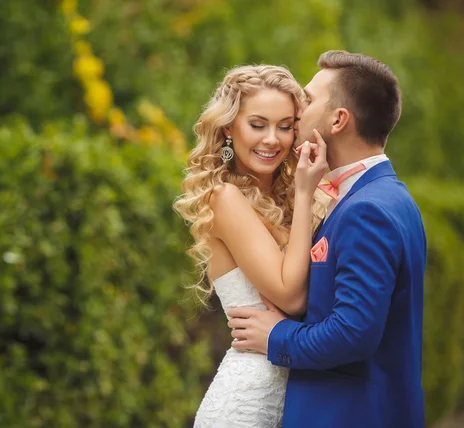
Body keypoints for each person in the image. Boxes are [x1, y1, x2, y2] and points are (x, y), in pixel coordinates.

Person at [227, 51, 426, 428]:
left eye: (310, 98)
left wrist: (277, 336)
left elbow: (352, 333)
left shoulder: (366, 210)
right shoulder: (388, 196)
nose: (299, 109)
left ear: (338, 120)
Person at [174, 64, 328, 427]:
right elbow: (291, 297)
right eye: (257, 125)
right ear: (229, 127)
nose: (272, 139)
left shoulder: (285, 195)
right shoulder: (224, 197)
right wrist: (306, 193)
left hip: (297, 395)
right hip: (247, 403)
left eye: (285, 126)